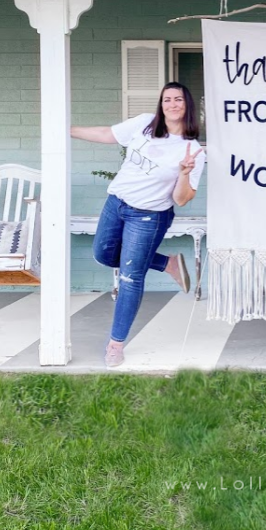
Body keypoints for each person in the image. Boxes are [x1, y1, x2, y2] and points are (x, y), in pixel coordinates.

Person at [71, 82, 205, 368]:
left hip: (149, 216)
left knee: (131, 277)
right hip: (116, 203)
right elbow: (108, 134)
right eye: (167, 99)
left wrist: (183, 174)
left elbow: (182, 199)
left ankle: (115, 344)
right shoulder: (145, 124)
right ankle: (166, 264)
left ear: (187, 105)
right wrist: (68, 130)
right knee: (103, 254)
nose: (172, 104)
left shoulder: (191, 150)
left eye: (178, 99)